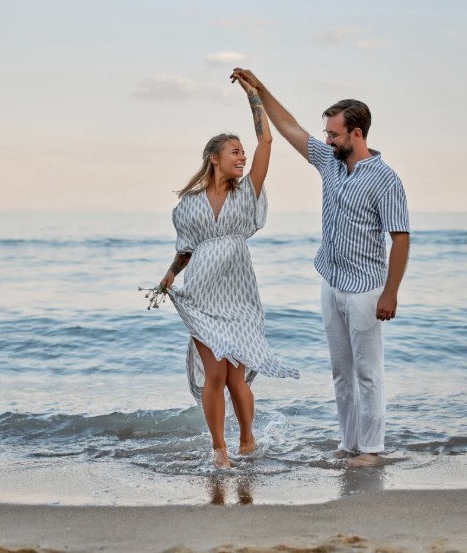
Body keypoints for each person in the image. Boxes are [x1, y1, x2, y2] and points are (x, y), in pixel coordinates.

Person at [230, 69, 410, 468]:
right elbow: (290, 127)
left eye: (334, 134)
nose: (327, 140)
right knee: (341, 373)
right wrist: (259, 90)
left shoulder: (386, 180)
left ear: (356, 134)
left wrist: (390, 292)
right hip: (332, 282)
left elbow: (400, 237)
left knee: (368, 373)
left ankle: (371, 450)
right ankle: (349, 444)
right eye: (327, 133)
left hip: (366, 289)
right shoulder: (330, 162)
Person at [160, 72, 299, 468]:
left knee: (237, 378)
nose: (242, 157)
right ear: (214, 158)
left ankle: (247, 440)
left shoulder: (247, 191)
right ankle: (219, 450)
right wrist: (170, 274)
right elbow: (186, 250)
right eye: (234, 152)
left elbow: (266, 141)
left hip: (239, 296)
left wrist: (254, 95)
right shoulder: (189, 204)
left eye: (242, 152)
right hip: (202, 297)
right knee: (215, 377)